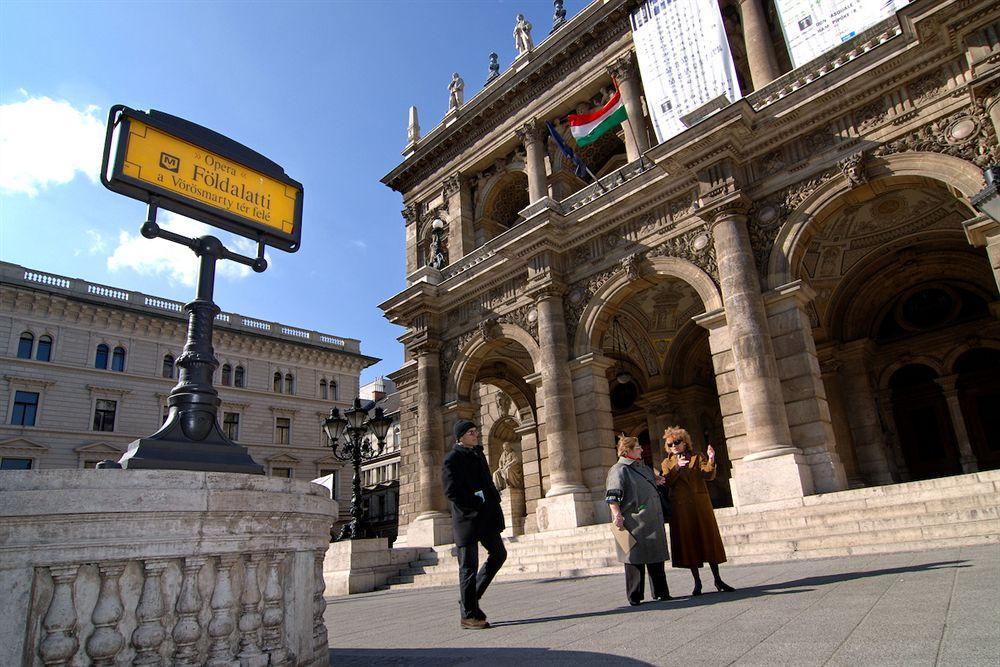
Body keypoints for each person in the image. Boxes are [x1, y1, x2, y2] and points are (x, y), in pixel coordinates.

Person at [442, 420, 506, 629]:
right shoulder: (452, 459)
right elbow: (451, 491)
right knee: (468, 567)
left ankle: (469, 599)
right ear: (460, 437)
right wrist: (475, 501)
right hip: (467, 519)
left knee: (499, 554)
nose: (475, 435)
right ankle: (468, 615)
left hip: (486, 517)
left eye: (476, 431)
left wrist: (493, 502)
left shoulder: (478, 454)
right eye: (471, 432)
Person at [660, 426, 735, 596]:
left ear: (685, 443)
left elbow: (708, 475)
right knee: (689, 544)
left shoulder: (696, 456)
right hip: (681, 509)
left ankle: (718, 579)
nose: (674, 446)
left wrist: (711, 459)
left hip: (700, 506)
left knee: (708, 539)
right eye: (670, 444)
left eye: (677, 442)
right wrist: (677, 468)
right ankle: (697, 582)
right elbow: (667, 482)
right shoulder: (667, 463)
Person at [605, 434, 671, 606]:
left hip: (652, 519)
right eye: (638, 447)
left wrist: (658, 480)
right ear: (627, 451)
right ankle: (635, 595)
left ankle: (661, 592)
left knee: (656, 556)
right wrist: (616, 514)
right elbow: (613, 496)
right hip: (634, 521)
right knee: (634, 558)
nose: (641, 449)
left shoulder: (644, 468)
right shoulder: (619, 470)